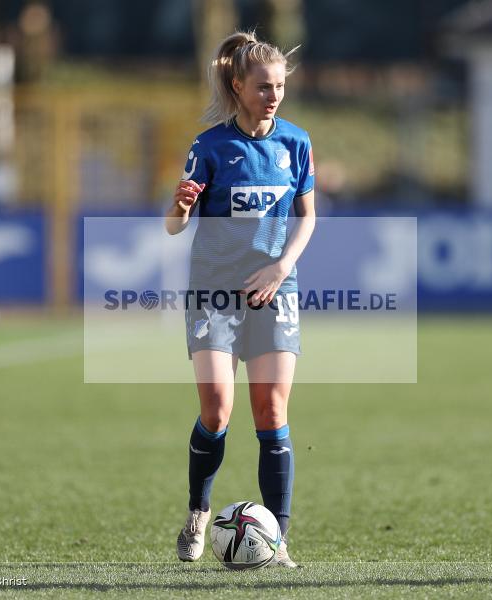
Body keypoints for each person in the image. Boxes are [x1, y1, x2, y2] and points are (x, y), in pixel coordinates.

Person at [164, 30, 316, 568]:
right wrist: (180, 207)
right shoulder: (208, 147)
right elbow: (174, 227)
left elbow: (307, 218)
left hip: (276, 290)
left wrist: (281, 267)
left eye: (279, 86)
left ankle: (279, 544)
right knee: (217, 409)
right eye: (262, 86)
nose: (273, 95)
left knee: (271, 411)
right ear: (237, 85)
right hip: (214, 294)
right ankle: (198, 513)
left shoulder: (295, 142)